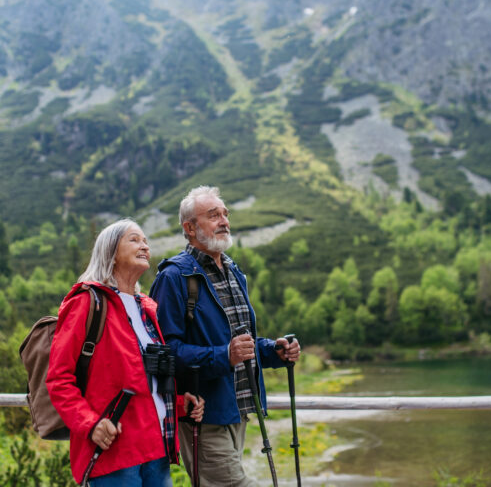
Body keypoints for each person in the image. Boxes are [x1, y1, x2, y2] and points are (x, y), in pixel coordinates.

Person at [150, 185, 301, 486]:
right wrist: (224, 356)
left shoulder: (234, 273)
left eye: (225, 214)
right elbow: (164, 352)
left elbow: (240, 342)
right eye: (213, 215)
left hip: (238, 409)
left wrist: (274, 351)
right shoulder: (173, 277)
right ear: (190, 228)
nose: (224, 221)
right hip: (203, 414)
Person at [47, 219, 204, 486]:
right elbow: (58, 380)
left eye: (145, 241)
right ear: (110, 251)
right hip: (114, 454)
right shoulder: (86, 303)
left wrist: (179, 404)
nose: (144, 246)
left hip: (157, 450)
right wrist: (91, 424)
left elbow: (143, 381)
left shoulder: (147, 308)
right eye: (134, 239)